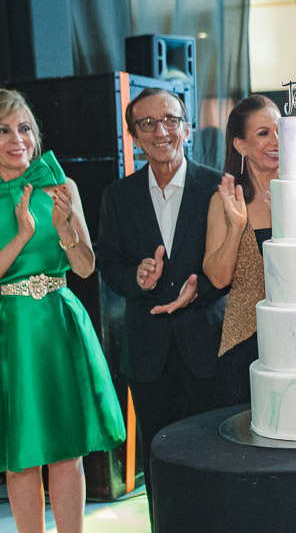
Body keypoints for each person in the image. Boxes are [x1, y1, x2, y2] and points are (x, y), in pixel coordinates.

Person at [97, 87, 226, 522]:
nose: (160, 131)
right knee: (160, 463)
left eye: (170, 120)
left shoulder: (218, 186)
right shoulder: (118, 195)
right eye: (147, 123)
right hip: (147, 352)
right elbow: (108, 264)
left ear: (187, 128)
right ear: (134, 136)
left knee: (216, 458)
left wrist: (199, 289)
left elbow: (234, 262)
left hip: (207, 345)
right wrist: (135, 277)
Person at [0, 89, 125, 533]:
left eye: (25, 128)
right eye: (4, 130)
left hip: (58, 322)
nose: (17, 139)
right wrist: (22, 234)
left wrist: (64, 229)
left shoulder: (61, 185)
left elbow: (86, 268)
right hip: (11, 330)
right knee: (21, 458)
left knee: (67, 451)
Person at [203, 95, 280, 407]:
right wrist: (236, 228)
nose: (276, 140)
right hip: (245, 343)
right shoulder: (223, 201)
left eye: (280, 130)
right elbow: (219, 278)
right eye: (263, 133)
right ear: (240, 145)